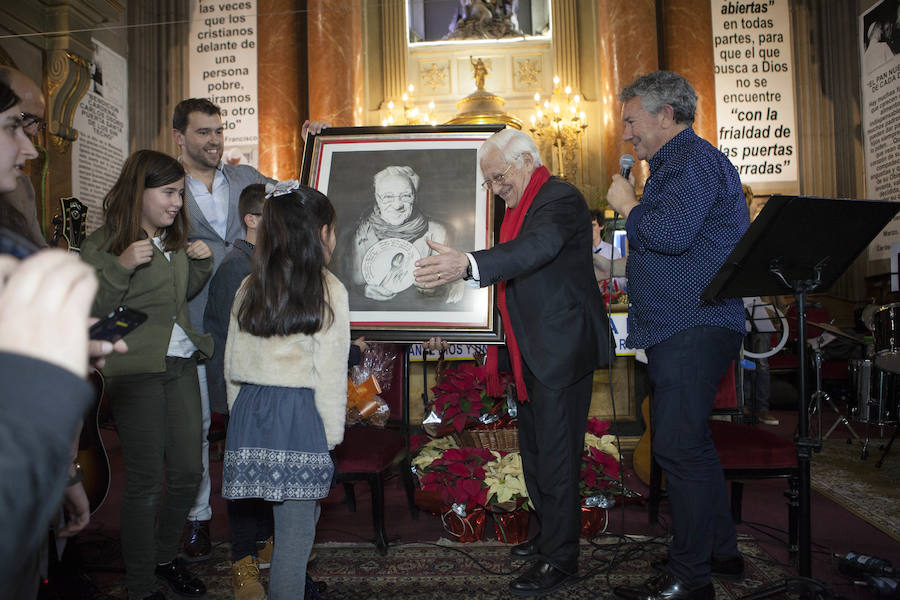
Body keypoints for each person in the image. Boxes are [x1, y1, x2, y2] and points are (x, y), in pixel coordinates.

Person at [413, 127, 613, 597]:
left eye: (499, 177)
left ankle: (562, 560)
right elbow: (505, 267)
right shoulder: (518, 203)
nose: (497, 189)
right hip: (530, 354)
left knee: (559, 459)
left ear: (525, 162)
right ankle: (549, 540)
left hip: (560, 351)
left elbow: (533, 251)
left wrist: (465, 264)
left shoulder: (559, 198)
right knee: (539, 455)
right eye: (490, 182)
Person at [605, 71, 749, 600]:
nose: (626, 134)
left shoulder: (691, 160)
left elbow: (668, 234)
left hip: (693, 324)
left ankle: (691, 581)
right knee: (691, 446)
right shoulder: (677, 164)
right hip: (684, 324)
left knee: (678, 447)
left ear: (666, 115)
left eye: (631, 120)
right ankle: (719, 553)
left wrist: (627, 204)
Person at [81, 150, 214, 600]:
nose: (177, 202)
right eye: (169, 192)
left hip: (178, 365)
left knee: (187, 471)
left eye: (180, 193)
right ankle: (139, 585)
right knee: (143, 482)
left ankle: (163, 558)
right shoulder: (103, 244)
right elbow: (96, 310)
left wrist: (199, 263)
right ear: (139, 191)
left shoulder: (171, 243)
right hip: (135, 373)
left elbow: (178, 297)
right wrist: (120, 267)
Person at [222, 186, 349, 600]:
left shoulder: (249, 285)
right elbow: (329, 373)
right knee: (295, 541)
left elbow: (231, 364)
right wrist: (330, 437)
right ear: (323, 232)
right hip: (298, 415)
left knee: (281, 528)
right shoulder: (328, 289)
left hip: (251, 412)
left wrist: (241, 421)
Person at [345, 165, 462, 303]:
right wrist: (362, 291)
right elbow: (344, 284)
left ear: (415, 196)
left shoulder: (437, 233)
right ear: (377, 197)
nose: (397, 205)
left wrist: (435, 288)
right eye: (388, 197)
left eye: (406, 196)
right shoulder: (360, 233)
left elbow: (454, 289)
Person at [0, 66, 47, 248]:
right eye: (24, 118)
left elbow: (37, 251)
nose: (32, 150)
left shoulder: (23, 185)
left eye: (39, 123)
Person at [590, 208, 627, 293]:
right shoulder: (581, 252)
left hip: (609, 300)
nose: (590, 229)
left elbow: (622, 283)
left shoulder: (613, 251)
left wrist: (609, 279)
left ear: (601, 226)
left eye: (593, 225)